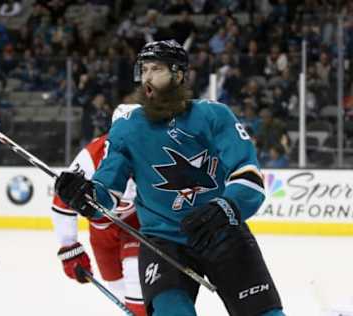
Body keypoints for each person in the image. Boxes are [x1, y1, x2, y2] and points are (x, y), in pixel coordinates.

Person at [54, 40, 285, 316]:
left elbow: (248, 175)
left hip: (223, 233)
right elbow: (108, 190)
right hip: (164, 244)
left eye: (157, 69)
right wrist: (86, 196)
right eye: (144, 70)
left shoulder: (214, 115)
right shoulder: (127, 128)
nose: (147, 78)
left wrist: (225, 208)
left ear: (178, 75)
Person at [52, 104, 146, 316]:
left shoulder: (154, 150)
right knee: (117, 288)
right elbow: (62, 202)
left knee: (135, 274)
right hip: (102, 230)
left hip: (136, 224)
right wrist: (69, 249)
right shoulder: (92, 155)